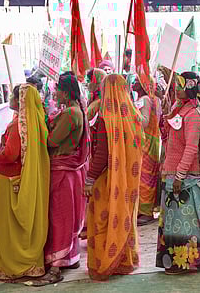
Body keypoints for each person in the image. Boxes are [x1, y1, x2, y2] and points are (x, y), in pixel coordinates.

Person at [84, 74, 143, 280]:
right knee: (124, 215)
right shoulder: (133, 115)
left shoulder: (105, 118)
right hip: (127, 179)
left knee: (103, 219)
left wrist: (90, 179)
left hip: (108, 178)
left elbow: (101, 154)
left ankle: (105, 261)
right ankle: (124, 260)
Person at [32, 73, 89, 286]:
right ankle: (70, 258)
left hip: (63, 173)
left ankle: (55, 268)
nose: (55, 94)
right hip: (68, 173)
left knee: (60, 219)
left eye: (57, 90)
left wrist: (41, 121)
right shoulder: (74, 111)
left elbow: (51, 140)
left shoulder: (70, 114)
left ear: (65, 92)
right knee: (66, 217)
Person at [0, 85, 50, 281]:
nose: (10, 98)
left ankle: (12, 264)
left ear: (20, 100)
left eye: (13, 96)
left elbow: (9, 155)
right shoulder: (31, 122)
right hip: (16, 178)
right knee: (15, 226)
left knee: (9, 226)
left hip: (8, 180)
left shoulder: (18, 126)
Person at [156, 72, 200, 274]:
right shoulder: (177, 111)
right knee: (173, 221)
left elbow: (191, 148)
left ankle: (186, 262)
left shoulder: (194, 115)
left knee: (185, 223)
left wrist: (180, 175)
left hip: (185, 177)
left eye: (180, 86)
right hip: (172, 174)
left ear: (189, 88)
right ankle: (174, 260)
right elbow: (167, 137)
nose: (176, 89)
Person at [132, 75, 161, 225]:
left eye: (137, 81)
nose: (134, 83)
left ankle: (145, 211)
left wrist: (131, 113)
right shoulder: (154, 99)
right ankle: (144, 210)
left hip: (146, 141)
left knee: (144, 177)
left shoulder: (145, 100)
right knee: (147, 176)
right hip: (152, 140)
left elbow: (144, 122)